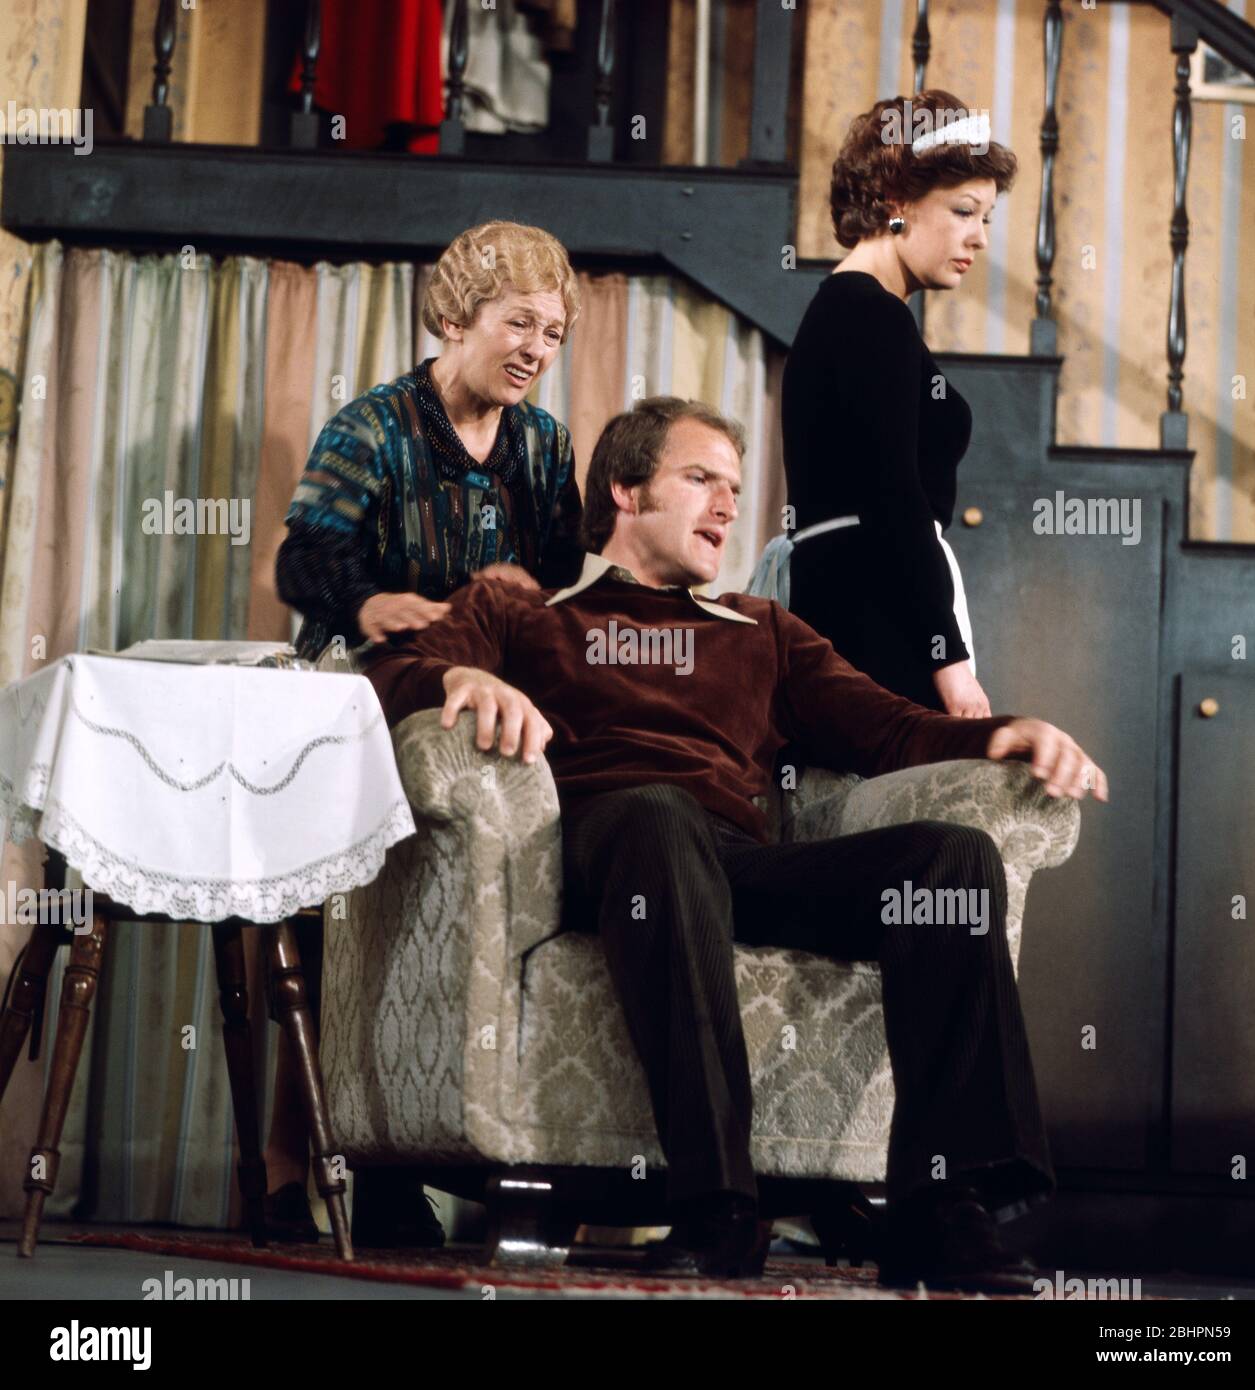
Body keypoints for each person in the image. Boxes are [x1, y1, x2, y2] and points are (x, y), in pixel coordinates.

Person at [358, 396, 1108, 1287]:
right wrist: (463, 671)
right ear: (626, 490)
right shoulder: (527, 610)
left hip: (733, 858)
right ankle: (717, 1203)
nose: (725, 505)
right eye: (699, 478)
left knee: (950, 858)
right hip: (603, 846)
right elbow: (389, 677)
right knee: (657, 815)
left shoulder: (761, 630)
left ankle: (940, 1207)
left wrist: (1004, 732)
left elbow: (890, 731)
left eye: (734, 487)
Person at [272, 220, 585, 1247]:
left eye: (554, 331)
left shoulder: (541, 443)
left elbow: (555, 580)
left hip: (485, 704)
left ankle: (482, 1156)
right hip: (371, 692)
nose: (539, 348)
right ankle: (343, 1168)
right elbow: (303, 562)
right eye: (520, 323)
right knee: (352, 928)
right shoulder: (371, 429)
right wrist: (372, 605)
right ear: (454, 318)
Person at [753, 90, 1013, 718]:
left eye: (986, 218)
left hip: (860, 596)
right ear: (896, 204)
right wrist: (948, 663)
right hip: (873, 609)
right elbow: (894, 499)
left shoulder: (856, 309)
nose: (979, 239)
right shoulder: (869, 312)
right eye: (963, 211)